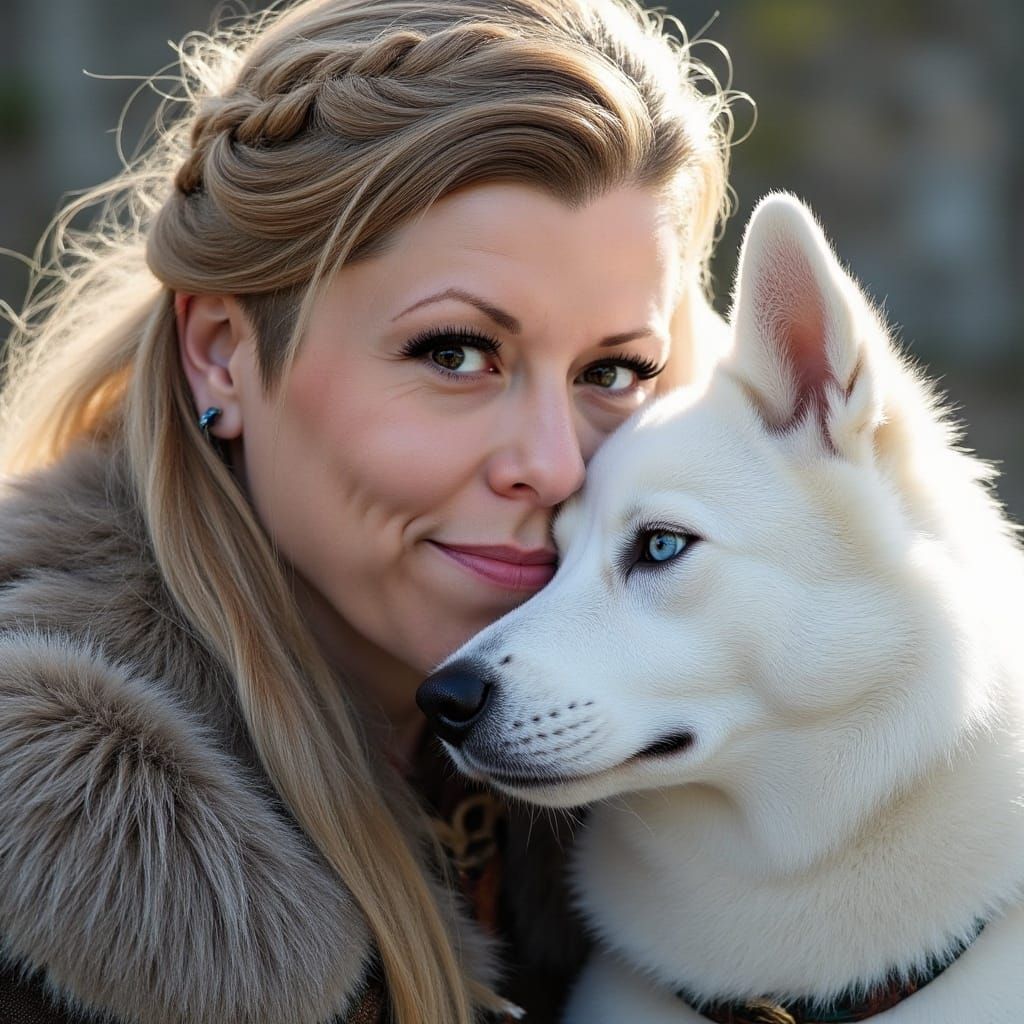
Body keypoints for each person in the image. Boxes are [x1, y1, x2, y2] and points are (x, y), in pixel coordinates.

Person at [0, 0, 735, 1021]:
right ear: (222, 350)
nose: (557, 466)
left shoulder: (687, 780)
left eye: (612, 368)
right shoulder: (43, 858)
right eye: (455, 353)